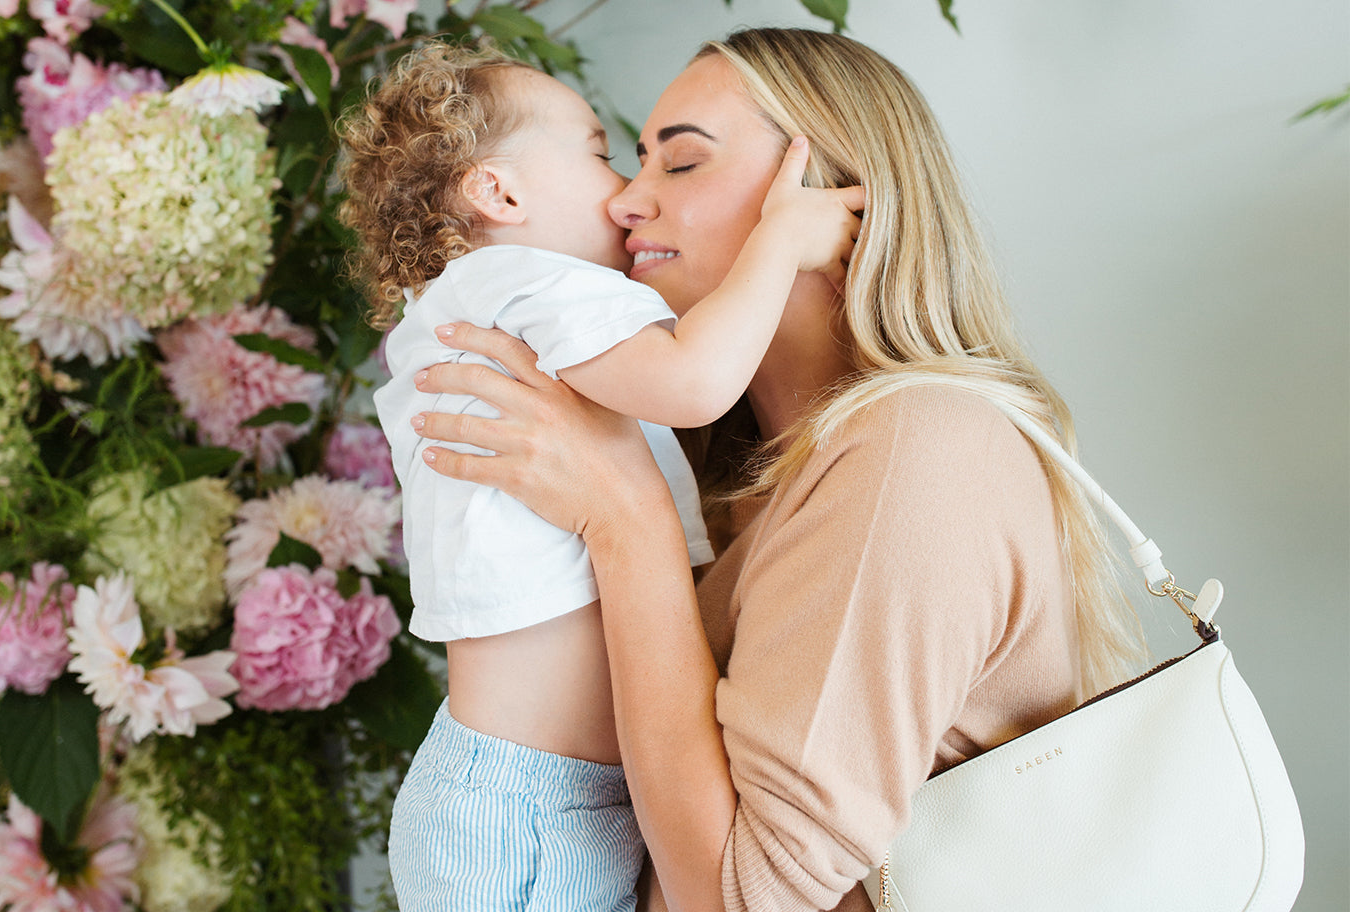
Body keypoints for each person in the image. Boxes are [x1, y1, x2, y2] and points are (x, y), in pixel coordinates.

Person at [406, 27, 1149, 912]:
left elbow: (742, 900)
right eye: (630, 162)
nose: (627, 202)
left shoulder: (914, 449)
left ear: (829, 203)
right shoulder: (728, 468)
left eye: (681, 163)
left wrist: (626, 523)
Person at [335, 40, 861, 911]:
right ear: (499, 194)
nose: (623, 194)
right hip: (531, 812)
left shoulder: (495, 303)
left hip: (534, 800)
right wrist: (781, 241)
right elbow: (695, 382)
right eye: (598, 153)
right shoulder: (519, 280)